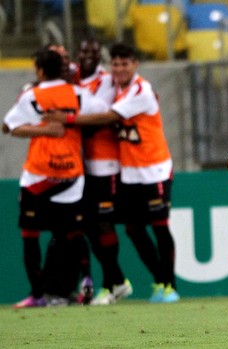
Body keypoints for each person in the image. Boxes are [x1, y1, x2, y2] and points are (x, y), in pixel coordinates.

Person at [45, 42, 179, 303]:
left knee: (160, 228)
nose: (119, 68)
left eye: (124, 63)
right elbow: (77, 71)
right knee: (133, 229)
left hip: (154, 170)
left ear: (135, 64)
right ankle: (156, 281)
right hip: (129, 171)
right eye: (115, 64)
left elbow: (107, 118)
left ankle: (168, 285)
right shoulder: (116, 88)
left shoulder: (141, 90)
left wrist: (67, 120)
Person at [3, 49, 108, 308]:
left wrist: (43, 129)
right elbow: (105, 113)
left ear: (39, 70)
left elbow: (8, 126)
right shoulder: (78, 93)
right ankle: (87, 281)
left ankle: (37, 295)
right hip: (71, 174)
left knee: (30, 235)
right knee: (72, 232)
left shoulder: (32, 95)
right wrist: (72, 120)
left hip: (37, 175)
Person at [75, 38, 133, 304]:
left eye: (94, 52)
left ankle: (112, 284)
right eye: (85, 51)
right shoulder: (74, 77)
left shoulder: (107, 81)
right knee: (87, 224)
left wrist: (68, 116)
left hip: (106, 163)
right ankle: (116, 281)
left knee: (103, 222)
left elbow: (99, 116)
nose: (89, 56)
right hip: (83, 164)